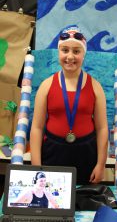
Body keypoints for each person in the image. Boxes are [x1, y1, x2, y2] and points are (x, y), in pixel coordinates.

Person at [30, 25, 108, 184]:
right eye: (65, 50)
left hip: (86, 152)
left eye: (76, 51)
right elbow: (37, 128)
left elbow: (102, 128)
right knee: (53, 203)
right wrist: (36, 166)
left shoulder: (95, 87)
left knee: (82, 202)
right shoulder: (46, 86)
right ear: (59, 52)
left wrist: (101, 164)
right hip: (54, 152)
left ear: (84, 54)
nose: (70, 56)